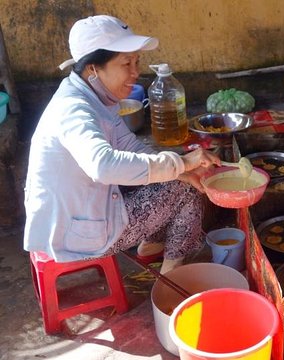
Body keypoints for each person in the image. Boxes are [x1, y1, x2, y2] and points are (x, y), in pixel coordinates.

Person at [23, 15, 222, 274]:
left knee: (179, 178)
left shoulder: (93, 96)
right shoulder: (73, 109)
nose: (135, 72)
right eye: (126, 63)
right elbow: (103, 165)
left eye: (137, 61)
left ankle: (151, 246)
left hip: (79, 213)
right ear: (92, 68)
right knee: (187, 190)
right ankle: (173, 273)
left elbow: (128, 144)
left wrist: (181, 170)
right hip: (74, 234)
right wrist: (182, 163)